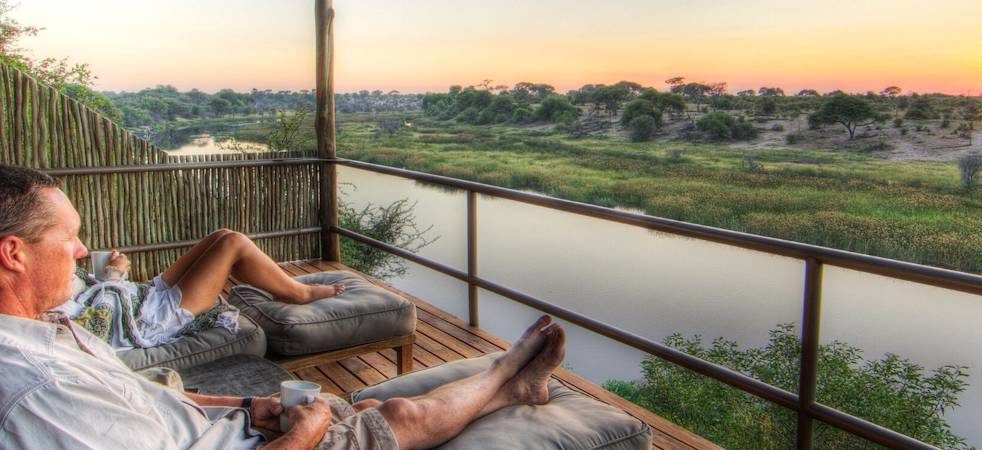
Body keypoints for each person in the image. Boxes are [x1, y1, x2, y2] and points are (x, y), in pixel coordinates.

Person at [0, 164, 567, 449]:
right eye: (68, 239)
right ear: (14, 253)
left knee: (362, 398)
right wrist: (300, 434)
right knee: (396, 415)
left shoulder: (44, 331)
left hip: (222, 422)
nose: (81, 250)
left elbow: (144, 397)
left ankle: (505, 378)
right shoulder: (39, 390)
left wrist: (248, 401)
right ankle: (507, 376)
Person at [62, 226, 347, 348]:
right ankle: (300, 293)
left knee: (221, 236)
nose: (80, 248)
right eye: (68, 237)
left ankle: (279, 286)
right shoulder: (43, 312)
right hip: (150, 319)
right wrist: (114, 275)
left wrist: (111, 280)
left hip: (138, 297)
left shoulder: (39, 286)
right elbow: (97, 329)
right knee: (232, 243)